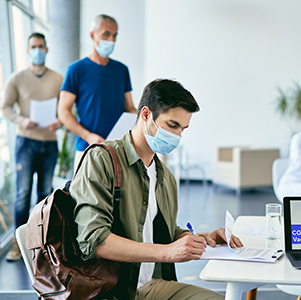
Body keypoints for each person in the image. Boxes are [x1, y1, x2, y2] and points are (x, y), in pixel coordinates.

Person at [70, 79, 243, 299]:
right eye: (172, 125)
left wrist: (201, 238)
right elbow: (94, 241)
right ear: (145, 114)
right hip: (110, 290)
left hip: (152, 286)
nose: (178, 136)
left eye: (183, 129)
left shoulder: (165, 177)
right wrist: (167, 252)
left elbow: (162, 234)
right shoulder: (101, 160)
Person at [1, 33, 63, 261]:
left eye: (41, 46)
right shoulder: (16, 78)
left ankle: (41, 244)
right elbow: (5, 107)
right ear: (28, 50)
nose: (37, 50)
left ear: (46, 49)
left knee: (44, 195)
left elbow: (68, 109)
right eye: (33, 47)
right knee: (22, 194)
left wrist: (60, 121)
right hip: (25, 142)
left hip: (49, 143)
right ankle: (18, 245)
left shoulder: (58, 79)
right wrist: (22, 121)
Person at [58, 14, 137, 168]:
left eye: (114, 35)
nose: (111, 40)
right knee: (84, 192)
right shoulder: (76, 70)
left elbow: (130, 108)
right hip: (87, 149)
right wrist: (88, 136)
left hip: (118, 150)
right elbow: (63, 111)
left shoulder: (121, 70)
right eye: (106, 34)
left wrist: (148, 121)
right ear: (92, 35)